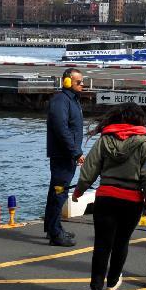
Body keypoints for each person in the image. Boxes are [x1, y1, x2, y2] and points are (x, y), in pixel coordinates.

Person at [72, 103, 146, 290]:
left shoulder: (105, 139)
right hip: (131, 200)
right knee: (121, 242)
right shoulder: (145, 143)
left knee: (102, 245)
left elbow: (90, 168)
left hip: (106, 197)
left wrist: (79, 190)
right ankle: (113, 281)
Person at [44, 68, 86, 247]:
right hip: (63, 156)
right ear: (68, 82)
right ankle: (55, 234)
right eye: (79, 82)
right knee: (59, 194)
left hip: (67, 155)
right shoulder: (61, 101)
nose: (82, 84)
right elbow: (62, 129)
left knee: (56, 192)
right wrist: (76, 152)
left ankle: (53, 227)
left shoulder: (72, 100)